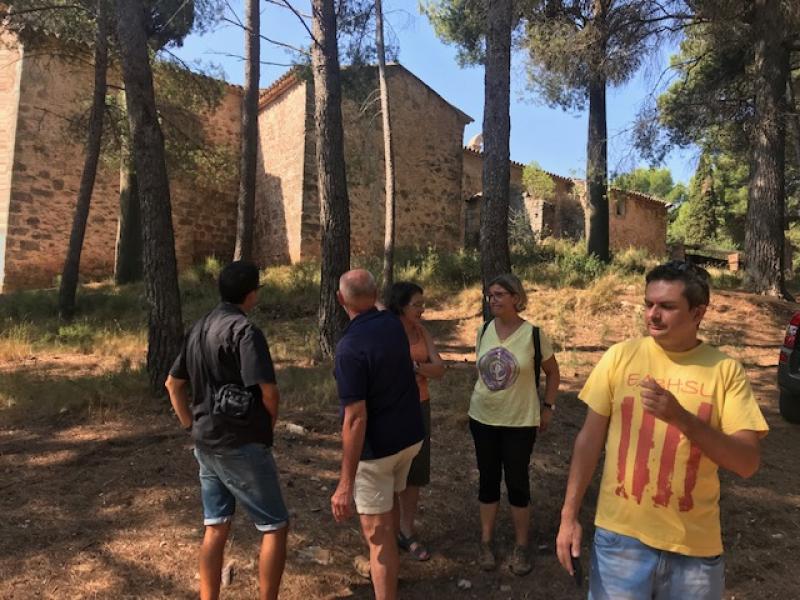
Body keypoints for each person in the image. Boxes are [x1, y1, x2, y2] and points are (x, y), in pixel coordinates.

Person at [556, 261, 769, 599]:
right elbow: (589, 440)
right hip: (620, 541)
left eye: (667, 306)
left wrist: (681, 418)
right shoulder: (619, 357)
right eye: (648, 304)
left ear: (698, 312)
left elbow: (747, 462)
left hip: (694, 551)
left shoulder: (725, 371)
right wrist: (569, 516)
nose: (653, 315)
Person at [165, 261, 288, 600]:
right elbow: (269, 392)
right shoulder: (245, 331)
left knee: (215, 525)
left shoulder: (198, 327)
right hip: (241, 442)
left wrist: (190, 425)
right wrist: (266, 429)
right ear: (252, 294)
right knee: (275, 526)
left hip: (206, 442)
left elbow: (173, 384)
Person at [330, 269, 424, 600]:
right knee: (388, 510)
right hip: (408, 438)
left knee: (379, 539)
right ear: (375, 296)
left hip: (377, 452)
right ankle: (390, 573)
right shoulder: (391, 324)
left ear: (340, 300)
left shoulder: (349, 348)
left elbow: (356, 418)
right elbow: (378, 305)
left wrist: (345, 484)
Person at [469, 273, 561, 576]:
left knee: (517, 482)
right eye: (490, 295)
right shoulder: (483, 330)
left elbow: (553, 372)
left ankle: (521, 546)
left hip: (519, 421)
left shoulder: (533, 334)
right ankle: (486, 542)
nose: (492, 300)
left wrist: (548, 407)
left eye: (499, 295)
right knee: (488, 480)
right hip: (482, 417)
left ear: (516, 298)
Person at [387, 281, 445, 561]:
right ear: (400, 306)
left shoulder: (422, 332)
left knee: (416, 471)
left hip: (420, 406)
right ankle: (387, 533)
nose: (422, 309)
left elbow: (440, 369)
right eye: (417, 304)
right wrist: (421, 369)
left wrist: (415, 367)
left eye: (423, 304)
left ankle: (406, 531)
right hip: (392, 409)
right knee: (390, 470)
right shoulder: (386, 332)